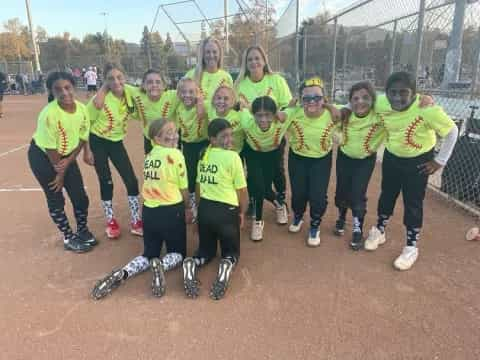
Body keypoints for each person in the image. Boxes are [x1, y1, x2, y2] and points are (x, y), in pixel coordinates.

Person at [364, 72, 458, 270]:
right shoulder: (381, 102)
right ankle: (380, 230)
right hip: (392, 156)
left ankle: (411, 246)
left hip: (419, 161)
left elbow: (452, 131)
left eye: (403, 92)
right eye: (393, 92)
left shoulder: (426, 109)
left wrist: (440, 161)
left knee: (413, 201)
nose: (397, 98)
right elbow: (360, 102)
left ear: (414, 94)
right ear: (386, 92)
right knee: (387, 194)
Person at [92, 119, 191, 299]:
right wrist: (188, 207)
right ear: (156, 138)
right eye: (168, 132)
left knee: (148, 254)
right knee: (178, 253)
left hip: (149, 212)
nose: (174, 135)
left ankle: (124, 272)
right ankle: (161, 265)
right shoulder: (176, 155)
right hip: (171, 211)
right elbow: (183, 187)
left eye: (174, 130)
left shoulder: (150, 156)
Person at [27, 71, 96, 253]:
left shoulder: (82, 109)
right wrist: (60, 174)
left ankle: (82, 230)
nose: (64, 93)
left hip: (67, 156)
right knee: (56, 196)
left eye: (67, 87)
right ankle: (68, 236)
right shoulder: (48, 114)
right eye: (58, 90)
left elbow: (82, 137)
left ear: (74, 87)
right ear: (52, 92)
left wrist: (72, 160)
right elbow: (51, 149)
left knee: (80, 196)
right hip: (43, 158)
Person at [182, 118, 248, 300]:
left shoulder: (203, 154)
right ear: (212, 139)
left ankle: (193, 262)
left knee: (206, 251)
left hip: (205, 210)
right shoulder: (233, 157)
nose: (229, 140)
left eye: (230, 135)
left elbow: (197, 187)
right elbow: (242, 191)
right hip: (226, 212)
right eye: (223, 136)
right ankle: (227, 264)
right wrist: (242, 212)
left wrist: (197, 215)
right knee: (230, 253)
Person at [84, 62, 142, 239]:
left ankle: (135, 220)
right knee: (106, 181)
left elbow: (144, 97)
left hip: (116, 142)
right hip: (97, 141)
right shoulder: (98, 101)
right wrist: (87, 150)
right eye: (110, 78)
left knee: (131, 180)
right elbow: (85, 125)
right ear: (104, 81)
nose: (116, 82)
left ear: (125, 78)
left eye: (119, 77)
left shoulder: (131, 93)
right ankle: (110, 221)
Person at [279, 77, 339, 247]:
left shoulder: (331, 114)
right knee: (298, 193)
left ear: (324, 99)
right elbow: (279, 116)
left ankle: (315, 223)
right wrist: (285, 108)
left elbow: (353, 111)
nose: (312, 101)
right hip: (298, 157)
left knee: (318, 195)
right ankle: (298, 215)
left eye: (317, 98)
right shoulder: (294, 112)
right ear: (300, 100)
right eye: (306, 98)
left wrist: (331, 106)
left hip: (321, 160)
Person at [235, 45, 293, 217]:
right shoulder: (239, 84)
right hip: (251, 138)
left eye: (257, 58)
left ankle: (281, 201)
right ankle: (255, 201)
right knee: (254, 176)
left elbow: (286, 105)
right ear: (245, 63)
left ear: (264, 61)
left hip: (274, 137)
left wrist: (280, 113)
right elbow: (236, 107)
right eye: (250, 59)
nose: (254, 62)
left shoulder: (276, 80)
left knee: (277, 172)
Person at [334, 81, 385, 250]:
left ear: (373, 99)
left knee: (357, 193)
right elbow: (328, 110)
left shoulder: (379, 115)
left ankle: (357, 227)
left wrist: (426, 98)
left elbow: (396, 104)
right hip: (344, 157)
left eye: (365, 98)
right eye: (354, 99)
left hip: (365, 160)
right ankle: (341, 216)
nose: (360, 102)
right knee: (341, 191)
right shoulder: (345, 114)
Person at [241, 96, 290, 241]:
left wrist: (290, 106)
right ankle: (258, 221)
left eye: (267, 115)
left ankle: (279, 203)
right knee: (257, 186)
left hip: (272, 153)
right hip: (253, 153)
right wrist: (241, 104)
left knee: (265, 186)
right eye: (259, 115)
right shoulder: (246, 121)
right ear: (253, 115)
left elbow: (296, 109)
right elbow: (241, 108)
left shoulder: (282, 121)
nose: (263, 119)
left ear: (275, 114)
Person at [173, 77, 207, 219]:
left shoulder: (202, 105)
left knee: (204, 175)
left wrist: (199, 100)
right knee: (190, 176)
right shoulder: (178, 108)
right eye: (183, 92)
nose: (187, 95)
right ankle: (193, 205)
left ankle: (205, 204)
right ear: (179, 93)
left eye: (191, 92)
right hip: (187, 146)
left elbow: (200, 114)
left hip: (203, 145)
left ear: (197, 93)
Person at [130, 69, 178, 154]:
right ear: (144, 85)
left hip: (169, 139)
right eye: (149, 82)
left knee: (172, 164)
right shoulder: (136, 93)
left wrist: (199, 101)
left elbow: (189, 89)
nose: (154, 85)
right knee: (152, 165)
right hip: (149, 138)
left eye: (158, 82)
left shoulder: (173, 95)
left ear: (164, 85)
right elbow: (119, 84)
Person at [185, 37, 233, 106]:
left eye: (214, 52)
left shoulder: (227, 77)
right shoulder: (190, 75)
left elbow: (231, 103)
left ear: (220, 54)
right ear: (202, 54)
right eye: (207, 52)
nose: (211, 55)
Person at [208, 85, 246, 154]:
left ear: (232, 102)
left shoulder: (240, 115)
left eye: (226, 99)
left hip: (237, 152)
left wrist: (245, 105)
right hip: (218, 153)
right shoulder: (210, 110)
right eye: (218, 98)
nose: (222, 101)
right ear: (213, 100)